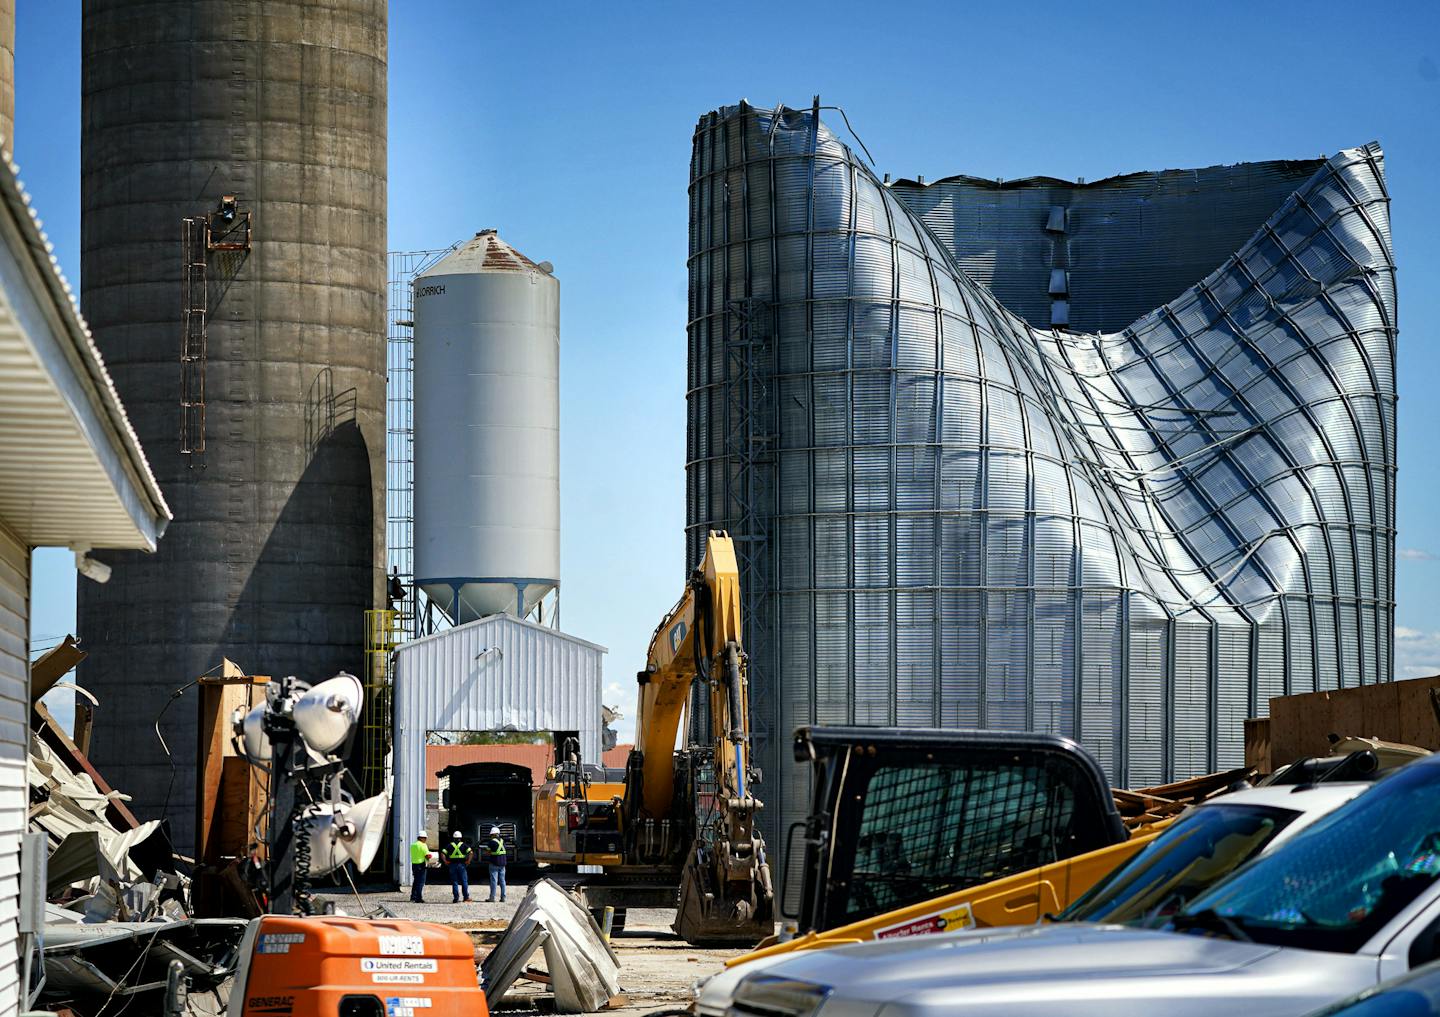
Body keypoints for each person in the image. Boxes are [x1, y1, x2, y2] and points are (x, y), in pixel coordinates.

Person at [446, 830, 474, 903]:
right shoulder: (464, 845)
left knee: (455, 882)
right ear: (460, 838)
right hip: (462, 865)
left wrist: (445, 861)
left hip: (452, 865)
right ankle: (466, 898)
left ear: (453, 838)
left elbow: (442, 853)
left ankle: (456, 898)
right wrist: (468, 861)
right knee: (464, 881)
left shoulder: (449, 845)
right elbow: (471, 852)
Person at [482, 825, 507, 902]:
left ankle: (492, 897)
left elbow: (487, 852)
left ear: (492, 834)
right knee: (502, 881)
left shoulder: (491, 842)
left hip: (494, 863)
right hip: (502, 863)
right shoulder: (503, 841)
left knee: (494, 881)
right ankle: (503, 897)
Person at [409, 831, 431, 903]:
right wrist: (430, 856)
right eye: (425, 838)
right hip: (421, 865)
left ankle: (413, 896)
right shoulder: (423, 845)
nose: (426, 839)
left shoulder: (413, 845)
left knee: (416, 881)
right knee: (421, 882)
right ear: (422, 838)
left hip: (414, 865)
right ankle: (418, 898)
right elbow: (427, 856)